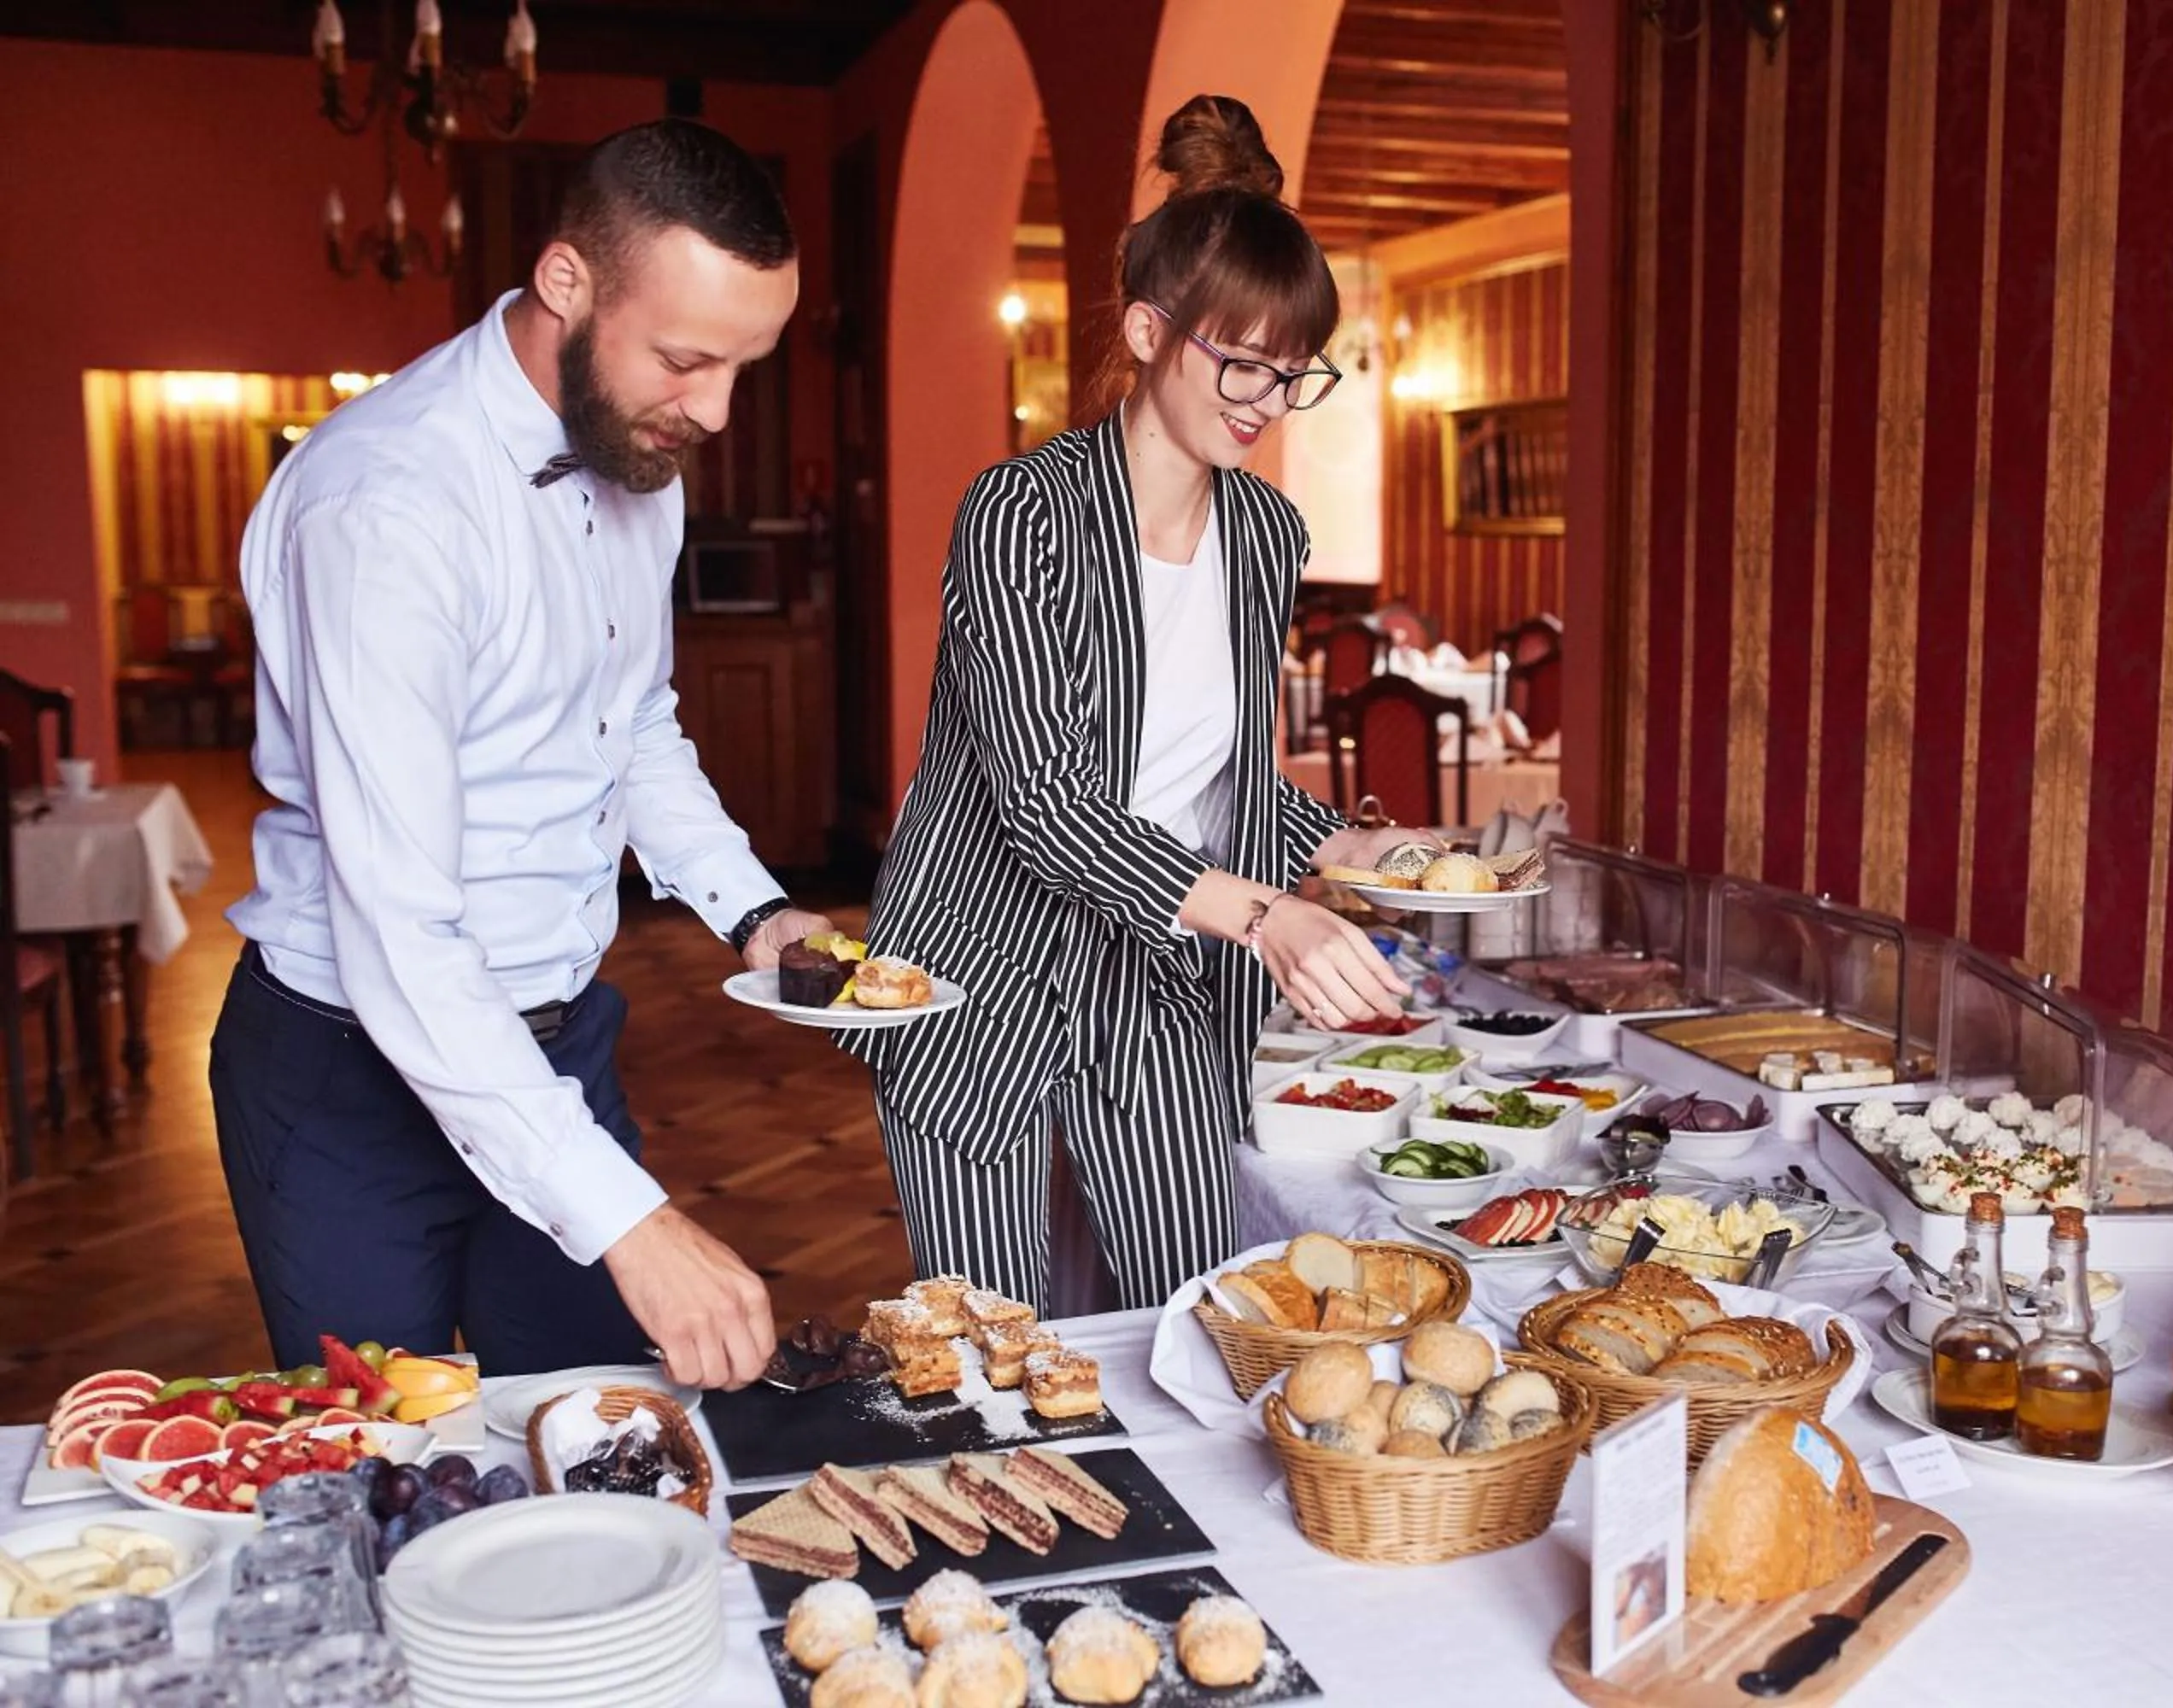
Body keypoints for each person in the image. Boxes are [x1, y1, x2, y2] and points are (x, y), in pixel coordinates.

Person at [213, 120, 835, 1390]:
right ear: (567, 281)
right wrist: (631, 1221)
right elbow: (398, 929)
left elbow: (633, 720)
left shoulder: (640, 453)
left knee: (601, 1435)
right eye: (686, 360)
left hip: (556, 1046)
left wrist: (754, 911)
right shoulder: (385, 505)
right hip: (347, 1075)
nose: (716, 411)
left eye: (743, 367)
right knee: (393, 1459)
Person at [842, 95, 1428, 1313]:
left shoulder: (1268, 534)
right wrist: (1268, 918)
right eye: (1243, 362)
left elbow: (1223, 780)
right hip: (980, 969)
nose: (1268, 400)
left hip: (1152, 967)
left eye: (1295, 372)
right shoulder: (1021, 513)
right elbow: (1047, 806)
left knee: (1201, 1313)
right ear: (1153, 331)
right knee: (987, 1344)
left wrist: (1351, 845)